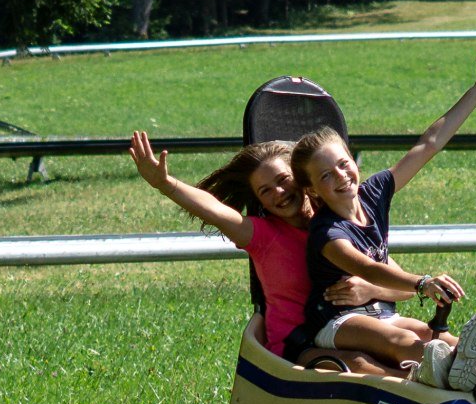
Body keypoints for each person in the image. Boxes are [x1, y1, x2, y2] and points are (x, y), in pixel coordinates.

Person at [294, 58, 476, 391]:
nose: (341, 176)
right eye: (326, 175)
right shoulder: (328, 233)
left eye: (343, 163)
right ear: (312, 190)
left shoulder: (374, 192)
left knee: (430, 334)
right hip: (336, 322)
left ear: (353, 159)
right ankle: (456, 370)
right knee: (400, 338)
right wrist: (422, 283)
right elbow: (368, 269)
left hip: (381, 311)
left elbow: (428, 145)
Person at [129, 131, 415, 376]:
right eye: (266, 191)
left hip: (358, 327)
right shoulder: (262, 235)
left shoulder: (337, 223)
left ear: (304, 179)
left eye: (283, 179)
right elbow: (215, 211)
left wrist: (368, 290)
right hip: (299, 346)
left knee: (413, 340)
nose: (279, 192)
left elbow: (403, 287)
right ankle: (417, 388)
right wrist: (166, 184)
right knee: (359, 365)